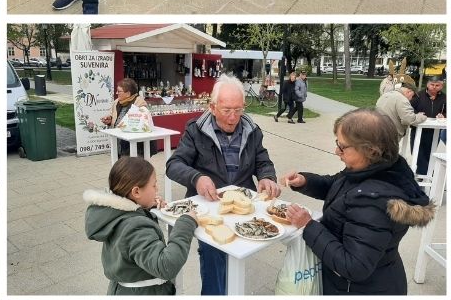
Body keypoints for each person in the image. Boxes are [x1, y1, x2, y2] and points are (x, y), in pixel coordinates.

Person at [281, 109, 435, 294]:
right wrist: (305, 181)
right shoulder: (376, 168)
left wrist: (308, 226)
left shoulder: (373, 202)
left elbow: (354, 266)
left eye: (342, 146)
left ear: (370, 150)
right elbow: (338, 185)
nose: (336, 151)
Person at [165, 75, 280, 295]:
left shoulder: (252, 130)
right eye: (227, 110)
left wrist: (267, 176)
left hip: (241, 207)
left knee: (235, 256)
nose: (233, 118)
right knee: (213, 254)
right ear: (212, 107)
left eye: (239, 110)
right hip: (210, 207)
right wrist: (196, 178)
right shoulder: (195, 130)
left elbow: (262, 160)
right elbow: (173, 165)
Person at [85, 157, 198, 296]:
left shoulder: (115, 214)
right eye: (154, 185)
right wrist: (186, 223)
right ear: (136, 192)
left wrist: (144, 207)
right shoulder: (135, 227)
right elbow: (166, 266)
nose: (157, 188)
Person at [99, 78, 149, 156]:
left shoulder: (139, 104)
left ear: (128, 93)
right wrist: (110, 121)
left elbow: (139, 124)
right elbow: (115, 118)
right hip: (118, 142)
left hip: (133, 145)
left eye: (119, 91)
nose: (116, 93)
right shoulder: (116, 102)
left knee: (131, 166)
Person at [409, 77, 446, 177]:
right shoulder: (418, 96)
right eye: (432, 85)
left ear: (441, 86)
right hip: (418, 130)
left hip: (435, 131)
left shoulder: (444, 97)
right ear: (427, 84)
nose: (434, 87)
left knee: (430, 154)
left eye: (437, 85)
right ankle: (422, 175)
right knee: (418, 154)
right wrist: (417, 114)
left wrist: (443, 115)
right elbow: (408, 109)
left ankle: (427, 174)